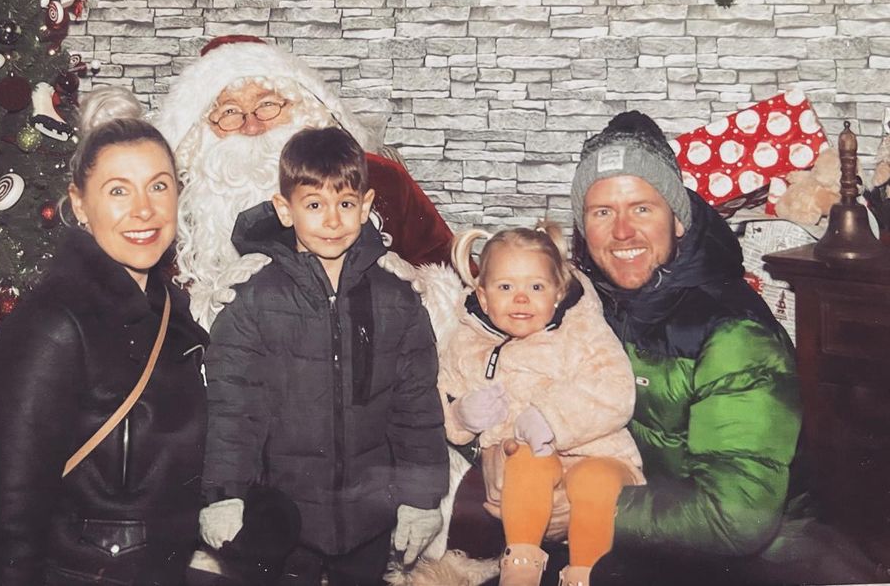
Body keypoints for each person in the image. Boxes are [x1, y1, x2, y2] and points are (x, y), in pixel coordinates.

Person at [0, 87, 209, 586]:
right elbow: (6, 521)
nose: (144, 210)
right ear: (79, 204)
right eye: (118, 191)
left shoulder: (170, 309)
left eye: (158, 186)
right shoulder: (51, 325)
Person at [199, 126, 450, 586]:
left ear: (366, 207)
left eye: (346, 204)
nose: (332, 221)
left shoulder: (396, 298)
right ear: (285, 209)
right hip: (284, 518)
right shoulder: (253, 299)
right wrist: (225, 493)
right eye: (314, 205)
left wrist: (422, 498)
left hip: (369, 516)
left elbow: (416, 405)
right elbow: (232, 407)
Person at [567, 110, 803, 585]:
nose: (622, 231)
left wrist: (580, 509)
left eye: (642, 208)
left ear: (678, 219)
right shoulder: (583, 307)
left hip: (752, 564)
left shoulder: (733, 332)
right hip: (639, 533)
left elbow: (737, 516)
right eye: (602, 212)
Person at [155, 35, 454, 329]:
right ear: (201, 132)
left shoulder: (380, 177)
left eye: (267, 104)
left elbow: (455, 275)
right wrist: (204, 310)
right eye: (230, 112)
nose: (252, 126)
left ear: (303, 108)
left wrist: (420, 291)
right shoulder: (174, 207)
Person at [438, 224, 643, 586]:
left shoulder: (580, 331)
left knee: (594, 482)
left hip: (601, 454)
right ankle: (520, 568)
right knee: (525, 457)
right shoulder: (467, 344)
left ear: (557, 293)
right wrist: (460, 415)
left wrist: (551, 417)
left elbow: (616, 388)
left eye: (536, 287)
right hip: (525, 471)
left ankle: (585, 575)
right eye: (505, 287)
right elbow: (442, 393)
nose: (521, 299)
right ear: (483, 297)